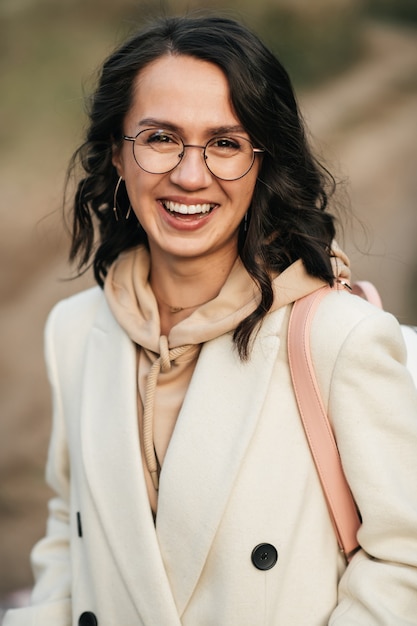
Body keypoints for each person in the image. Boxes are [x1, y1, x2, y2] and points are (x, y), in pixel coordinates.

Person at [4, 14, 417, 626]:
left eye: (225, 143)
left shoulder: (338, 337)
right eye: (160, 138)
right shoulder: (74, 330)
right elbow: (73, 527)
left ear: (262, 162)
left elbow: (405, 560)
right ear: (118, 153)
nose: (190, 175)